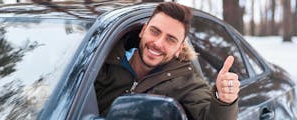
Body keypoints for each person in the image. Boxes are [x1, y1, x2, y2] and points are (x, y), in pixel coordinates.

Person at [94, 2, 240, 120]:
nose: (158, 43)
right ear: (143, 30)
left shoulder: (187, 83)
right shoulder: (100, 60)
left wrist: (224, 101)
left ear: (179, 48)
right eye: (155, 31)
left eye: (170, 39)